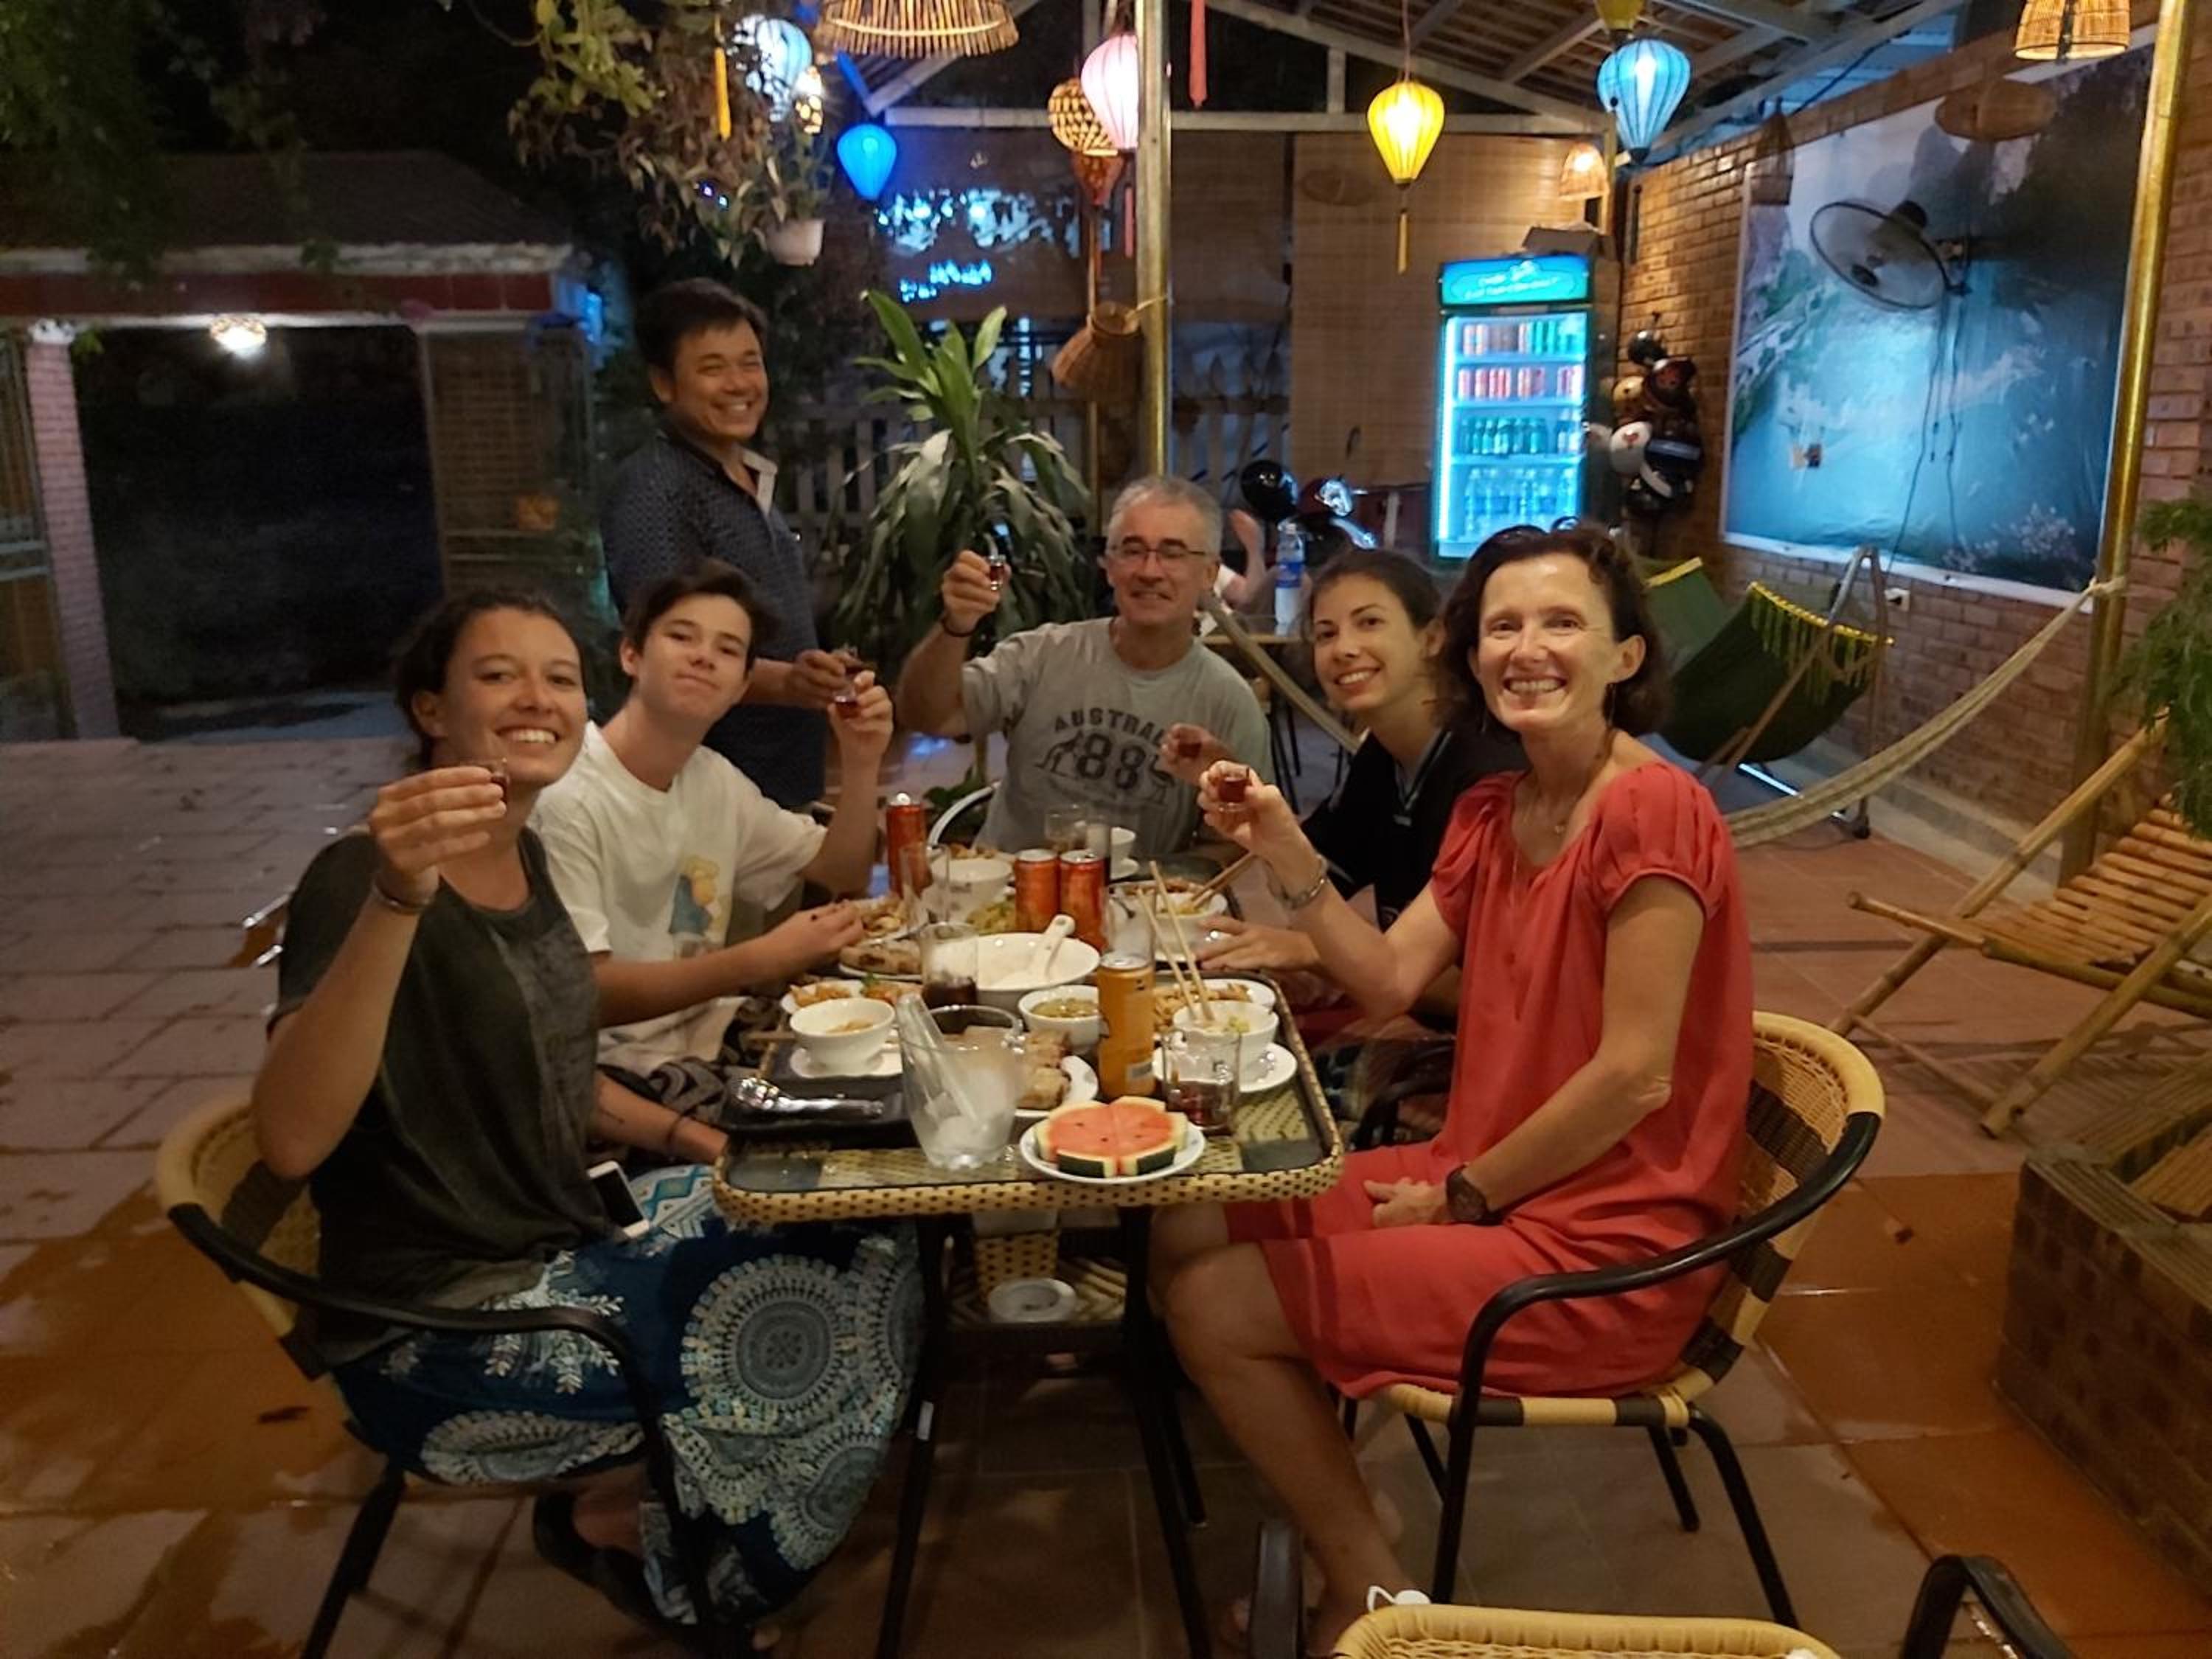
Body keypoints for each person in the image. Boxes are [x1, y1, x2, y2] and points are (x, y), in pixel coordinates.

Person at [251, 588, 917, 1641]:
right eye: (498, 674)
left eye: (559, 677)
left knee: (866, 1220)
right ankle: (691, 1563)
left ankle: (684, 1502)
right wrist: (394, 897)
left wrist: (698, 1143)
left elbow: (559, 1071)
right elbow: (290, 1140)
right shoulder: (360, 877)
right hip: (446, 1328)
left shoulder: (525, 862)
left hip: (562, 1237)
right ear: (432, 709)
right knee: (835, 1303)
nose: (538, 697)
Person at [1150, 524, 1753, 1651]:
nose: (1528, 648)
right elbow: (1386, 974)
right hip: (1477, 1181)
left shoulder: (1655, 809)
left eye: (1563, 622)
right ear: (1471, 653)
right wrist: (1283, 846)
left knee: (1213, 1304)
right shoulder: (1492, 811)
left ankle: (1370, 1585)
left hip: (1602, 1246)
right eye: (1504, 626)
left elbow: (1634, 1075)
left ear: (1624, 655)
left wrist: (1464, 1194)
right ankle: (1347, 1507)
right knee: (1189, 1217)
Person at [532, 565, 890, 1119]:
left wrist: (862, 760)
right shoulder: (567, 797)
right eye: (682, 637)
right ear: (631, 655)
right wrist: (757, 959)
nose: (703, 657)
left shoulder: (712, 779)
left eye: (727, 649)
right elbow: (585, 995)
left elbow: (840, 871)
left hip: (712, 1040)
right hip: (615, 1080)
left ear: (742, 685)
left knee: (892, 1073)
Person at [893, 474, 1274, 858]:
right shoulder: (1043, 654)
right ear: (1109, 566)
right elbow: (926, 715)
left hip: (1137, 892)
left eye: (1172, 554)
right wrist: (956, 624)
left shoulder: (1228, 702)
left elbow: (1233, 843)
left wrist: (1162, 886)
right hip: (1009, 884)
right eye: (1132, 550)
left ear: (1209, 574)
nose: (1149, 571)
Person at [600, 278, 849, 810]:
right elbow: (668, 647)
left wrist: (809, 674)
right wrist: (789, 683)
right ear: (664, 384)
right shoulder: (656, 489)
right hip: (705, 789)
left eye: (750, 363)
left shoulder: (747, 475)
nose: (739, 384)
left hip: (778, 787)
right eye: (713, 368)